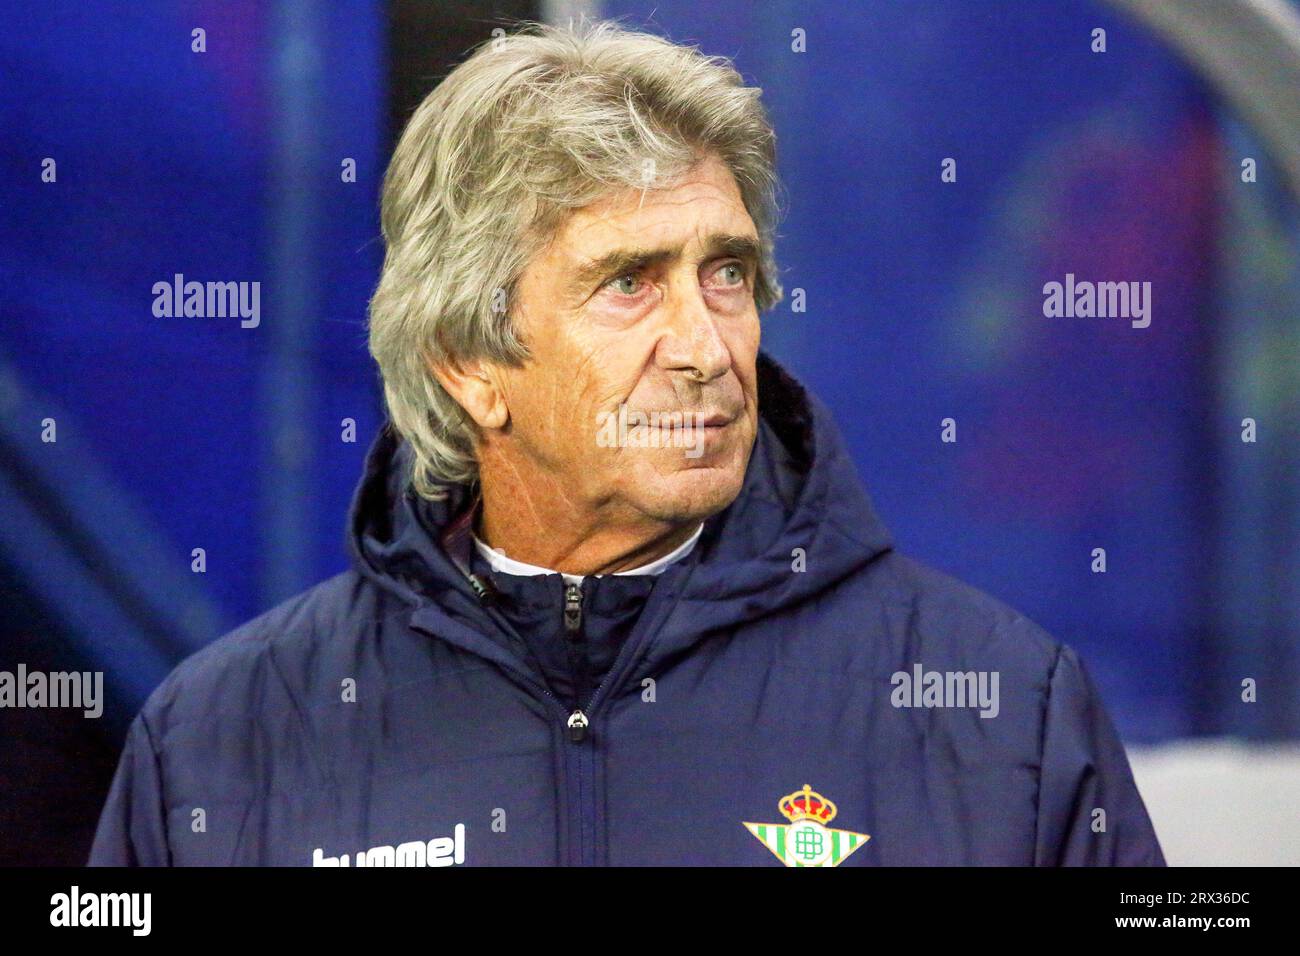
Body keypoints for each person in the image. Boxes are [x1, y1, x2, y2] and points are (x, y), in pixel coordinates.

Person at [89, 21, 1164, 866]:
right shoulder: (223, 742)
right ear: (470, 359)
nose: (702, 345)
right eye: (629, 282)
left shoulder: (998, 708)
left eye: (727, 272)